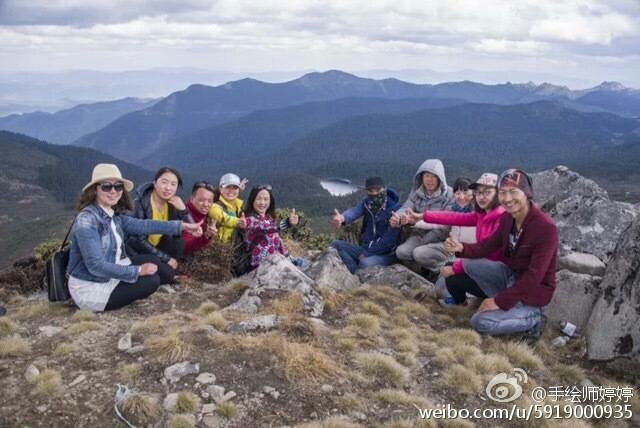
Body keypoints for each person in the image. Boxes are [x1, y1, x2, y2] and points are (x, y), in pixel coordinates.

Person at [67, 164, 202, 312]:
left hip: (114, 268)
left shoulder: (112, 215)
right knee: (152, 281)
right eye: (106, 186)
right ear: (94, 190)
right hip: (91, 287)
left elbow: (144, 225)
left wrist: (182, 226)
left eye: (118, 186)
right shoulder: (87, 220)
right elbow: (95, 266)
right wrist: (137, 271)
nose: (113, 191)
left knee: (156, 263)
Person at [444, 169, 558, 343]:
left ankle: (534, 318)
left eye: (513, 192)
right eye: (503, 193)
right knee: (468, 263)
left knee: (480, 322)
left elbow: (534, 277)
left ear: (527, 194)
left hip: (532, 293)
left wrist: (498, 301)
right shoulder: (508, 218)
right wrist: (461, 248)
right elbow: (486, 247)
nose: (507, 198)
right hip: (511, 278)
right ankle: (507, 307)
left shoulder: (545, 228)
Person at [407, 173, 505, 304]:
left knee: (452, 276)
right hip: (483, 267)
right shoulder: (482, 215)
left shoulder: (501, 220)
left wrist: (456, 267)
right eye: (479, 192)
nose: (482, 197)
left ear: (498, 194)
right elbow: (454, 217)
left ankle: (467, 302)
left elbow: (487, 253)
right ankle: (466, 299)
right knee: (449, 270)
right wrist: (422, 216)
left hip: (497, 276)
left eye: (488, 192)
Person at [391, 159, 454, 280]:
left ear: (440, 178)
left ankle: (440, 269)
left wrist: (424, 241)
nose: (429, 180)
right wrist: (399, 218)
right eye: (426, 176)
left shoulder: (449, 195)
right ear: (421, 177)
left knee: (419, 253)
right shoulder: (417, 192)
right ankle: (424, 268)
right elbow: (406, 207)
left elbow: (445, 225)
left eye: (433, 176)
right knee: (402, 252)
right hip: (419, 234)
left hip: (442, 239)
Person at [126, 167, 188, 281]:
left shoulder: (171, 204)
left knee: (179, 241)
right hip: (138, 251)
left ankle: (166, 270)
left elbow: (186, 231)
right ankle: (165, 272)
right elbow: (139, 241)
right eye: (164, 182)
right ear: (154, 183)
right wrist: (166, 259)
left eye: (173, 184)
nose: (168, 188)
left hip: (158, 246)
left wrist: (182, 211)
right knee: (167, 275)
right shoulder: (139, 204)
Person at [329, 177, 401, 273]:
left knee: (364, 263)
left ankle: (354, 273)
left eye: (378, 190)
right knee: (336, 244)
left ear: (384, 189)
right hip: (366, 248)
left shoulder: (395, 209)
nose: (375, 193)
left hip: (386, 254)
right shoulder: (367, 203)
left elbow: (389, 242)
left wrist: (368, 254)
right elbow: (354, 211)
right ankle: (355, 273)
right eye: (371, 190)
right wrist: (342, 218)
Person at [239, 185, 306, 271]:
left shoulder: (269, 219)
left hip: (276, 261)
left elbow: (276, 237)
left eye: (266, 199)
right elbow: (264, 227)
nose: (262, 203)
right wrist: (287, 222)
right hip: (260, 265)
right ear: (253, 200)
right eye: (259, 199)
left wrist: (289, 258)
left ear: (270, 202)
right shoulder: (250, 219)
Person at [209, 173, 247, 244]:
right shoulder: (214, 207)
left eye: (235, 187)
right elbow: (225, 219)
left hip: (235, 248)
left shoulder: (238, 206)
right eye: (227, 187)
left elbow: (234, 198)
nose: (231, 190)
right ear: (221, 189)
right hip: (218, 250)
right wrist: (239, 222)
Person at [183, 181, 218, 255]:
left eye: (210, 201)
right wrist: (206, 236)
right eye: (201, 200)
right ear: (192, 199)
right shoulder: (185, 216)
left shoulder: (202, 214)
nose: (206, 204)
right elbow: (185, 247)